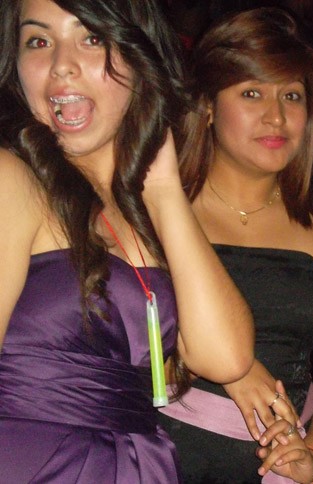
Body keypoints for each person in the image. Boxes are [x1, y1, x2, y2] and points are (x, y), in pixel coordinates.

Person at [0, 0, 256, 482]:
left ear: (140, 58)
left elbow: (226, 357)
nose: (61, 64)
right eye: (38, 41)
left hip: (136, 465)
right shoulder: (10, 178)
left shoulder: (142, 209)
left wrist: (165, 193)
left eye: (92, 37)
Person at [157, 8, 313, 484]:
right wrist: (231, 368)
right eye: (252, 93)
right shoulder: (163, 210)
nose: (276, 116)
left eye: (291, 96)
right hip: (165, 458)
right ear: (207, 105)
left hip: (284, 467)